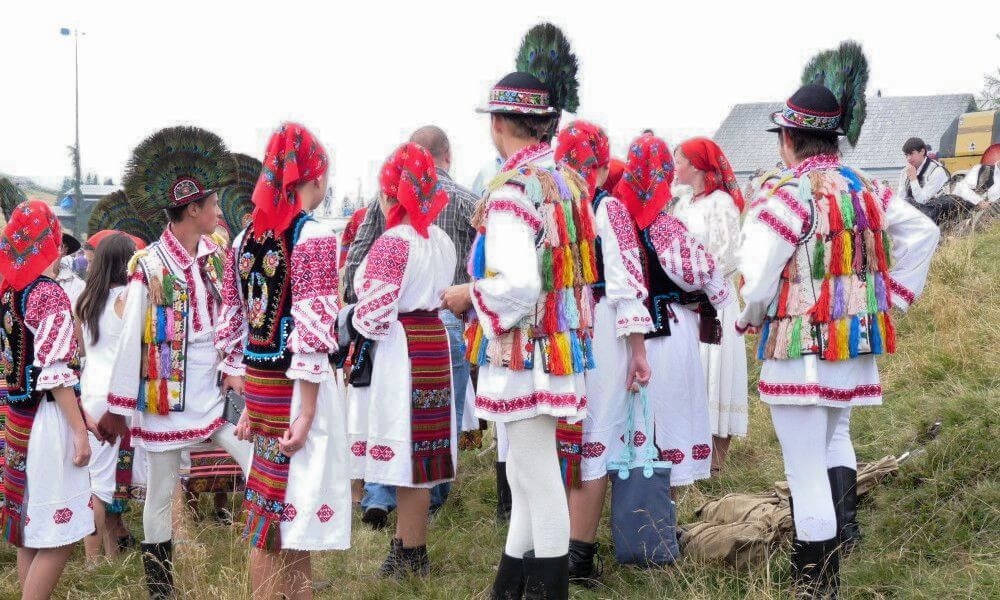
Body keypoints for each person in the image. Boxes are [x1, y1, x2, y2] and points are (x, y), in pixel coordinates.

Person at [740, 47, 939, 595]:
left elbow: (757, 281)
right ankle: (824, 579)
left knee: (805, 474)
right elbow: (925, 233)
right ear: (834, 139)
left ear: (787, 140)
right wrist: (892, 297)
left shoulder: (783, 197)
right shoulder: (865, 188)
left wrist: (748, 318)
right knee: (826, 450)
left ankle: (817, 585)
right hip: (851, 350)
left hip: (798, 350)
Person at [442, 31, 591, 594]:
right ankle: (507, 589)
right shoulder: (568, 179)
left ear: (499, 125)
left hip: (526, 349)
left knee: (537, 478)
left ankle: (549, 592)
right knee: (531, 479)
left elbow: (520, 284)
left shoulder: (510, 191)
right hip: (559, 345)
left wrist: (468, 294)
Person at [99, 126, 253, 599]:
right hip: (168, 395)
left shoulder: (216, 254)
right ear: (192, 210)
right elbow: (131, 344)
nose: (217, 212)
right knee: (162, 488)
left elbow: (233, 312)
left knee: (258, 462)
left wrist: (236, 366)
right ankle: (160, 588)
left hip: (217, 388)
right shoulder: (147, 267)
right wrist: (118, 408)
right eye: (210, 206)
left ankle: (276, 564)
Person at [216, 122, 351, 598]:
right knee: (278, 516)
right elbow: (314, 329)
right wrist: (309, 409)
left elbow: (235, 325)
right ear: (313, 179)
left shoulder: (242, 242)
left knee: (278, 509)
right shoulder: (312, 236)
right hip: (297, 389)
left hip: (264, 386)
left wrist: (251, 398)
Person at [341, 126, 476, 529]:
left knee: (400, 444)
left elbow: (373, 316)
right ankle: (412, 547)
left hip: (401, 350)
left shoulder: (393, 241)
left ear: (388, 193)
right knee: (422, 452)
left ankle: (405, 544)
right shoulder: (439, 241)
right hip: (434, 338)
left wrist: (343, 322)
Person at [554, 122, 652, 586]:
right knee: (594, 439)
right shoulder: (606, 208)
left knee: (557, 435)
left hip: (551, 333)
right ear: (597, 164)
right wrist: (638, 351)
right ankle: (577, 557)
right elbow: (628, 284)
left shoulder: (543, 203)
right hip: (596, 334)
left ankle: (547, 545)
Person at [615, 134, 734, 488]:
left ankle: (633, 499)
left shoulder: (613, 217)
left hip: (621, 329)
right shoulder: (663, 225)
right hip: (664, 327)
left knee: (633, 415)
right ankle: (661, 511)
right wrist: (723, 299)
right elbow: (699, 270)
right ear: (665, 173)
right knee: (668, 414)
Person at [0, 201, 94, 599]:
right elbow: (56, 373)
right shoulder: (49, 294)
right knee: (59, 537)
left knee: (32, 532)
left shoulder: (9, 294)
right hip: (49, 420)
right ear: (50, 241)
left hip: (19, 419)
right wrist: (80, 432)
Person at [670, 137, 749, 473]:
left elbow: (729, 254)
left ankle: (715, 464)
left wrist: (698, 276)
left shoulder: (721, 204)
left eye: (679, 161)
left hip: (714, 301)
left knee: (717, 372)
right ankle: (692, 456)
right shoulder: (684, 203)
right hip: (686, 302)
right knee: (694, 374)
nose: (675, 168)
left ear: (698, 165)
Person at [76, 233, 142, 561]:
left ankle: (108, 554)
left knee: (98, 477)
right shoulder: (128, 296)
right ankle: (92, 563)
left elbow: (82, 350)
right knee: (101, 485)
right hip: (116, 397)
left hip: (90, 391)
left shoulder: (85, 300)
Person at [897, 137, 949, 210]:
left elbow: (922, 201)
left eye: (911, 154)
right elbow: (901, 198)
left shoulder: (937, 171)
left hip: (936, 215)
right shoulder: (905, 171)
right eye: (906, 155)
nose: (908, 158)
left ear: (922, 151)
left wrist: (913, 179)